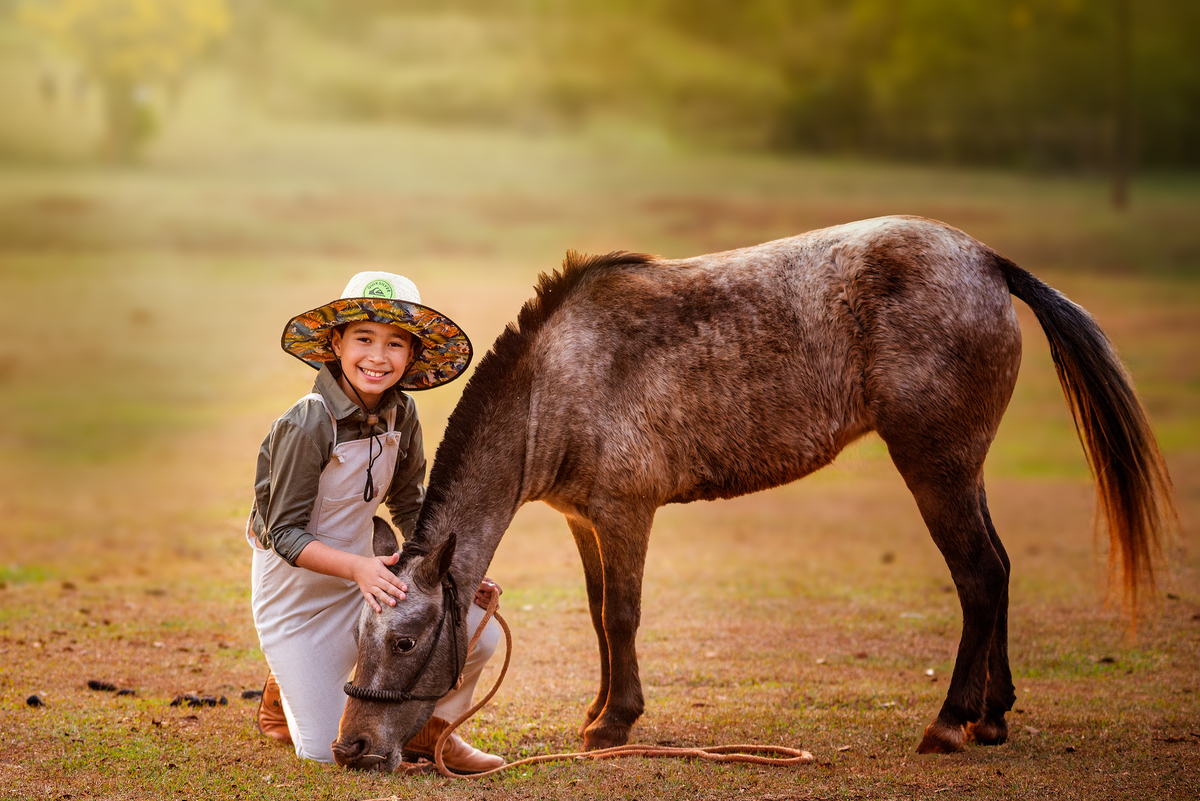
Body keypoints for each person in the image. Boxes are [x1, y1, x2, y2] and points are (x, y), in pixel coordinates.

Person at [246, 271, 504, 771]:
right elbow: (283, 534)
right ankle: (282, 686)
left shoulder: (402, 414)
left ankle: (432, 728)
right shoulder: (307, 423)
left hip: (368, 584)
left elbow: (409, 505)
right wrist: (359, 569)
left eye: (395, 343)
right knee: (327, 754)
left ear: (412, 355)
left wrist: (453, 577)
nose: (378, 357)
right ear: (336, 343)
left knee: (478, 630)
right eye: (363, 339)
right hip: (297, 598)